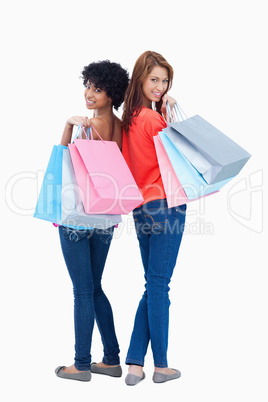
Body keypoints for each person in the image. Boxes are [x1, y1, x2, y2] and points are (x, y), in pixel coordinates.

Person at [55, 60, 129, 382]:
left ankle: (81, 364)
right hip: (106, 218)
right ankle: (111, 359)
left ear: (111, 94)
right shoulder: (120, 127)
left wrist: (68, 127)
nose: (89, 94)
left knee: (82, 290)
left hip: (78, 217)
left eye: (98, 90)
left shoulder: (89, 126)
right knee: (95, 287)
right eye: (88, 86)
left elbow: (62, 160)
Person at [122, 51, 187, 385]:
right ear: (140, 80)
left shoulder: (129, 119)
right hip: (167, 205)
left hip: (140, 209)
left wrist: (161, 109)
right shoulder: (155, 120)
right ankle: (161, 365)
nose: (160, 87)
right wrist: (169, 114)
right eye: (154, 80)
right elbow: (181, 155)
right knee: (160, 285)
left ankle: (135, 363)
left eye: (164, 80)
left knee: (152, 285)